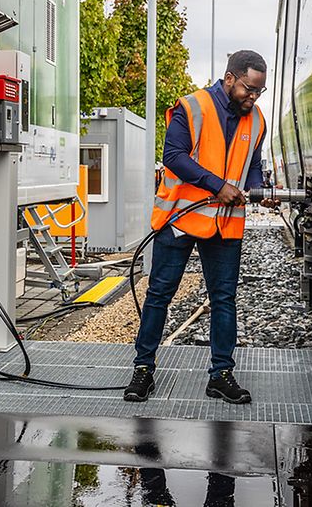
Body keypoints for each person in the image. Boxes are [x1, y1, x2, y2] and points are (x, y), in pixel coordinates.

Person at [125, 50, 277, 404]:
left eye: (259, 92)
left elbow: (252, 165)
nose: (253, 97)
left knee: (224, 299)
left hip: (224, 224)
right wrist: (218, 186)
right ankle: (143, 370)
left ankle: (221, 375)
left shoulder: (257, 120)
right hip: (180, 218)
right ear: (229, 79)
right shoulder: (191, 107)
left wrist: (258, 189)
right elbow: (173, 156)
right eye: (248, 89)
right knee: (159, 295)